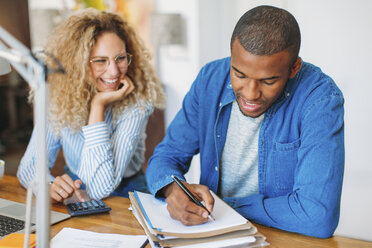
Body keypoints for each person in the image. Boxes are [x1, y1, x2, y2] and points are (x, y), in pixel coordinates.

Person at [146, 5, 344, 238]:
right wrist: (172, 189)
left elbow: (317, 216)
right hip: (213, 235)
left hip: (282, 239)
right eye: (239, 74)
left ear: (294, 68)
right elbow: (167, 155)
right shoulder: (210, 79)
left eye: (268, 81)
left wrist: (223, 206)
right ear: (232, 56)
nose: (250, 94)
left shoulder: (320, 99)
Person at [17, 8, 165, 202]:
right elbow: (29, 168)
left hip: (126, 191)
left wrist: (98, 106)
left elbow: (100, 188)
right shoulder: (59, 96)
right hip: (76, 185)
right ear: (77, 64)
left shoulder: (136, 102)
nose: (113, 71)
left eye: (120, 58)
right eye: (100, 61)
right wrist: (48, 186)